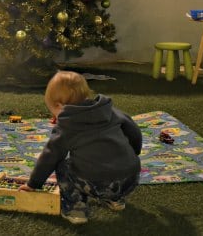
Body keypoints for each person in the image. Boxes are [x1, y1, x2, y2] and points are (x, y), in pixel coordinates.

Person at [20, 70, 142, 224]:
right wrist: (134, 152)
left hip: (96, 183)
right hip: (130, 178)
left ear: (58, 106)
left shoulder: (66, 127)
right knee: (113, 165)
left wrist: (33, 184)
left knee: (63, 165)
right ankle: (116, 200)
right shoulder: (109, 110)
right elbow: (134, 131)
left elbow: (49, 157)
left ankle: (76, 210)